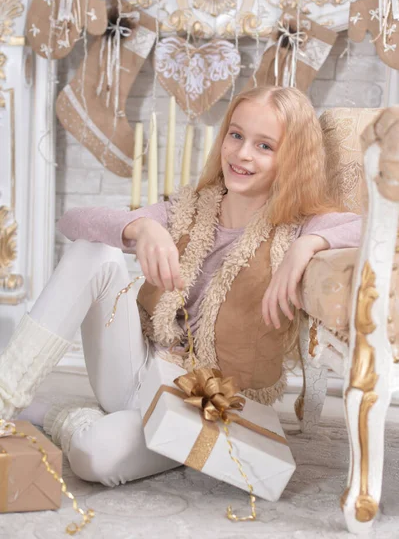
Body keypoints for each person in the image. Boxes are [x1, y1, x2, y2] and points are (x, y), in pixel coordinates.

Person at [0, 86, 361, 487]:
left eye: (264, 146)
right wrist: (143, 226)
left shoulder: (297, 229)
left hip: (207, 403)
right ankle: (5, 396)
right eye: (236, 135)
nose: (242, 154)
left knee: (98, 458)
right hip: (134, 369)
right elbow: (72, 220)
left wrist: (309, 244)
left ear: (292, 159)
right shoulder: (187, 209)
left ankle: (57, 415)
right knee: (94, 253)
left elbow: (376, 226)